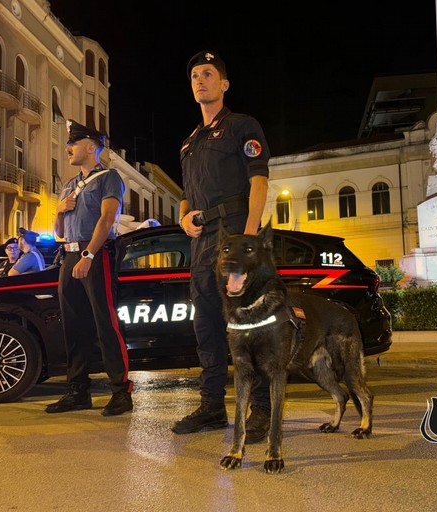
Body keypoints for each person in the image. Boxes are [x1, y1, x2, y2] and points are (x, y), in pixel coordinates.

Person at [172, 51, 271, 442]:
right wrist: (182, 218)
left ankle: (260, 408)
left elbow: (259, 181)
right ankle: (212, 406)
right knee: (207, 327)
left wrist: (249, 239)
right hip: (202, 244)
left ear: (224, 84)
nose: (200, 80)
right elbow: (185, 194)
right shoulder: (189, 142)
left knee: (248, 325)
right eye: (194, 75)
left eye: (208, 74)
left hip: (235, 238)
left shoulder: (241, 126)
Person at [45, 119, 133, 417]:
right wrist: (59, 210)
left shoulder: (109, 177)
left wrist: (89, 255)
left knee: (105, 323)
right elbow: (58, 231)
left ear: (92, 146)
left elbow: (107, 219)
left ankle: (121, 391)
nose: (68, 147)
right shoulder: (69, 185)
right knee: (73, 327)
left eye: (74, 142)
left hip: (94, 255)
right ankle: (77, 391)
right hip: (69, 255)